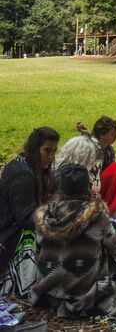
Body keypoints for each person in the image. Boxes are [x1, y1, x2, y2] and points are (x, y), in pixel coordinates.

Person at [31, 163, 116, 318]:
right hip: (85, 298)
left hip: (49, 293)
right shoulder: (96, 215)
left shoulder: (44, 217)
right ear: (87, 188)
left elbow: (39, 252)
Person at [0, 127, 60, 297]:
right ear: (35, 148)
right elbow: (28, 219)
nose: (51, 156)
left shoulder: (27, 166)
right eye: (47, 150)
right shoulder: (22, 175)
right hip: (8, 239)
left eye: (54, 151)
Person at [56, 116, 116, 216]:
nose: (115, 136)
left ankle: (112, 204)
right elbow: (85, 174)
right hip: (86, 189)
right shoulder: (91, 148)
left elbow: (112, 172)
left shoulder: (108, 149)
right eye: (112, 134)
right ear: (102, 134)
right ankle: (109, 207)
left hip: (98, 186)